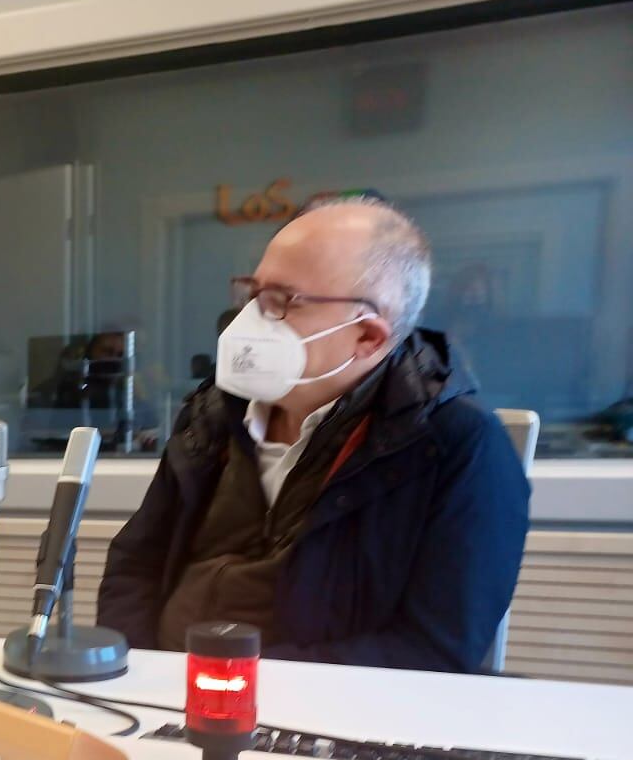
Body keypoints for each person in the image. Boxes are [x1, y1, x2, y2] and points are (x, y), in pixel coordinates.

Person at [96, 196, 529, 673]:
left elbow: (435, 651)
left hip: (317, 719)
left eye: (283, 301)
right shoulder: (213, 412)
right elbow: (135, 563)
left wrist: (232, 684)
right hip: (161, 694)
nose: (248, 321)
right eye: (253, 294)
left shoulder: (458, 446)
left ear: (368, 337)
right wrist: (132, 675)